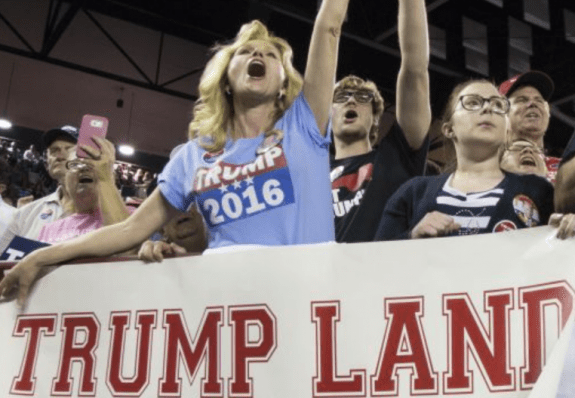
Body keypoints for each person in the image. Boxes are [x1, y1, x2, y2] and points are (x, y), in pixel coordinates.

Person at [0, 0, 350, 306]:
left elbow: (330, 26)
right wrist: (47, 254)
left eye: (271, 55)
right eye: (244, 52)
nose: (257, 55)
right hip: (228, 305)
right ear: (226, 79)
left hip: (308, 299)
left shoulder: (304, 125)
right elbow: (130, 230)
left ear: (284, 83)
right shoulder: (193, 156)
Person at [375, 79, 555, 240]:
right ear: (448, 129)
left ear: (507, 128)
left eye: (498, 105)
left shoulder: (539, 190)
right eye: (473, 103)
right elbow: (376, 262)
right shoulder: (413, 192)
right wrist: (411, 237)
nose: (487, 108)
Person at [330, 0, 430, 242]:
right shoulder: (309, 168)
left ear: (375, 117)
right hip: (321, 277)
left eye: (362, 97)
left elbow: (415, 70)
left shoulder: (397, 155)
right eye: (341, 97)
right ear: (328, 113)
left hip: (387, 276)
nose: (351, 101)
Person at [36, 140, 131, 244]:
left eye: (92, 164)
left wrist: (104, 179)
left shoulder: (132, 216)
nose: (84, 169)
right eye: (75, 164)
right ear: (66, 180)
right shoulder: (48, 231)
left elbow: (125, 243)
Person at [0, 126, 78, 251]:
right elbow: (4, 262)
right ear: (47, 164)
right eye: (53, 150)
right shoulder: (26, 213)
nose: (59, 155)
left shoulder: (106, 212)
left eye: (69, 149)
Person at [498, 70, 559, 183]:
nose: (533, 103)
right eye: (522, 100)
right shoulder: (486, 170)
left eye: (539, 100)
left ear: (548, 113)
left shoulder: (566, 170)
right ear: (501, 113)